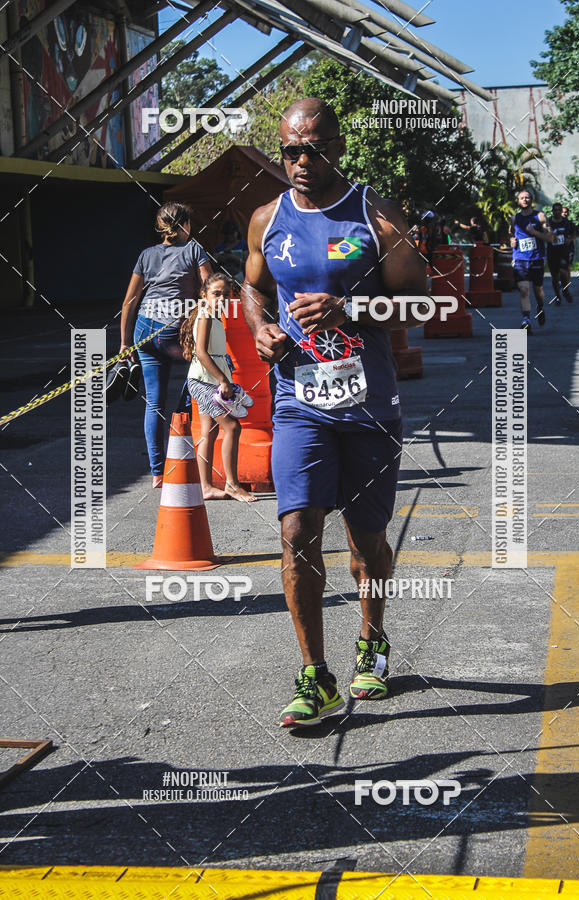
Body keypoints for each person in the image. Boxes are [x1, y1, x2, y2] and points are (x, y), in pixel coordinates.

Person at [241, 97, 427, 728]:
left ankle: (371, 638)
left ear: (338, 148)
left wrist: (355, 310)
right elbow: (253, 288)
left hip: (369, 406)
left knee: (367, 541)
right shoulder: (267, 218)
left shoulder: (377, 217)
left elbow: (421, 304)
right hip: (297, 402)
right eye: (289, 150)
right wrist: (262, 325)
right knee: (297, 534)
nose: (299, 161)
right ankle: (314, 676)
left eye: (312, 149)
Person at [120, 202, 212, 487]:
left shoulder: (146, 255)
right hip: (174, 329)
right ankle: (184, 418)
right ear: (184, 224)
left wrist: (125, 343)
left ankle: (158, 472)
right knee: (204, 374)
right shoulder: (194, 250)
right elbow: (210, 291)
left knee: (153, 402)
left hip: (144, 329)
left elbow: (130, 301)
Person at [179, 272, 255, 503]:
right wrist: (223, 380)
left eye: (226, 294)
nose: (221, 298)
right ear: (204, 294)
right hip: (204, 383)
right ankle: (232, 484)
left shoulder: (214, 316)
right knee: (232, 427)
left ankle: (205, 487)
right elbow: (201, 352)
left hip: (209, 381)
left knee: (209, 433)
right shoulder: (205, 316)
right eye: (216, 293)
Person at [509, 188, 555, 334]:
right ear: (518, 201)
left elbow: (550, 238)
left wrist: (534, 232)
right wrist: (512, 241)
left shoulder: (540, 216)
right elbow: (511, 234)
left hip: (536, 259)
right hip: (520, 259)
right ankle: (526, 320)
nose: (525, 200)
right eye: (522, 198)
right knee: (524, 290)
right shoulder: (514, 218)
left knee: (538, 290)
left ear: (532, 200)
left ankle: (540, 307)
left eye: (527, 197)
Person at [547, 202, 576, 304]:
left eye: (559, 210)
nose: (558, 212)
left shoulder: (567, 222)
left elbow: (576, 233)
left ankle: (565, 290)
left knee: (564, 272)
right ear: (553, 211)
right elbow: (543, 233)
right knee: (555, 277)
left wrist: (570, 239)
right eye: (556, 210)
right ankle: (557, 296)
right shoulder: (548, 222)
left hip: (564, 251)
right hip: (552, 252)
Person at [215, 221, 249, 286]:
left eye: (231, 233)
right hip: (224, 280)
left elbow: (247, 265)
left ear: (236, 232)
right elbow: (214, 264)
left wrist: (234, 258)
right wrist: (220, 259)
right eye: (226, 234)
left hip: (241, 280)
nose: (229, 236)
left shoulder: (243, 245)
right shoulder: (219, 247)